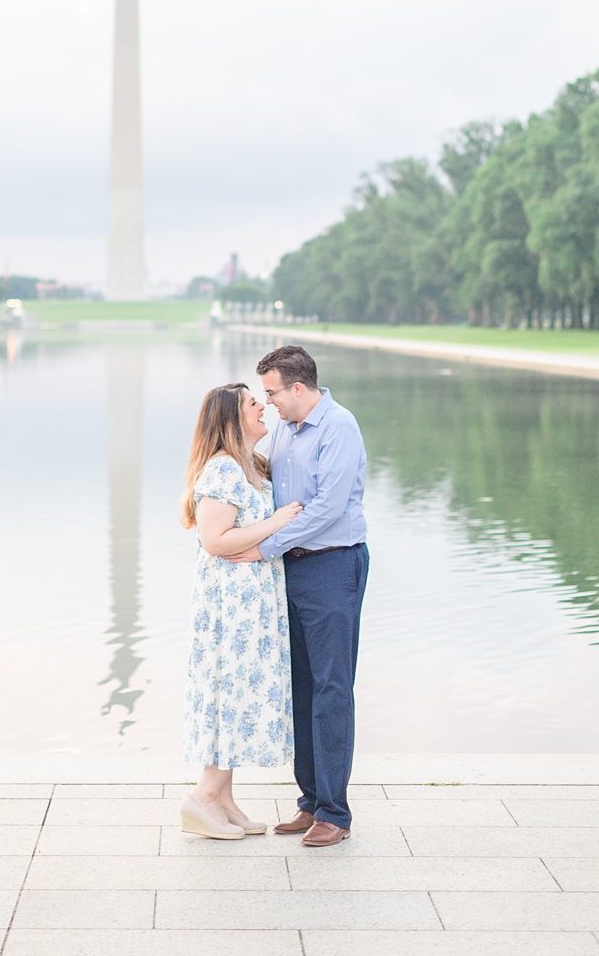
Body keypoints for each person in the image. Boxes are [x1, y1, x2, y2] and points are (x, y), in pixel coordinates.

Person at [255, 343, 369, 848]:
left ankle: (335, 813)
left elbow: (327, 507)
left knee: (330, 688)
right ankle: (310, 802)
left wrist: (264, 546)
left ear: (298, 388)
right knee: (300, 686)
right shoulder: (284, 426)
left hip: (332, 566)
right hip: (291, 569)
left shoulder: (339, 428)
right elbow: (273, 486)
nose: (269, 402)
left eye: (273, 392)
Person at [178, 380, 300, 839]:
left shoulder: (248, 466)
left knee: (240, 692)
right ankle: (203, 796)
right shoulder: (224, 469)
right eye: (253, 404)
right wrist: (277, 521)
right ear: (232, 419)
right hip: (231, 607)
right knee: (229, 691)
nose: (262, 407)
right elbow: (214, 541)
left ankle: (223, 799)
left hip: (251, 601)